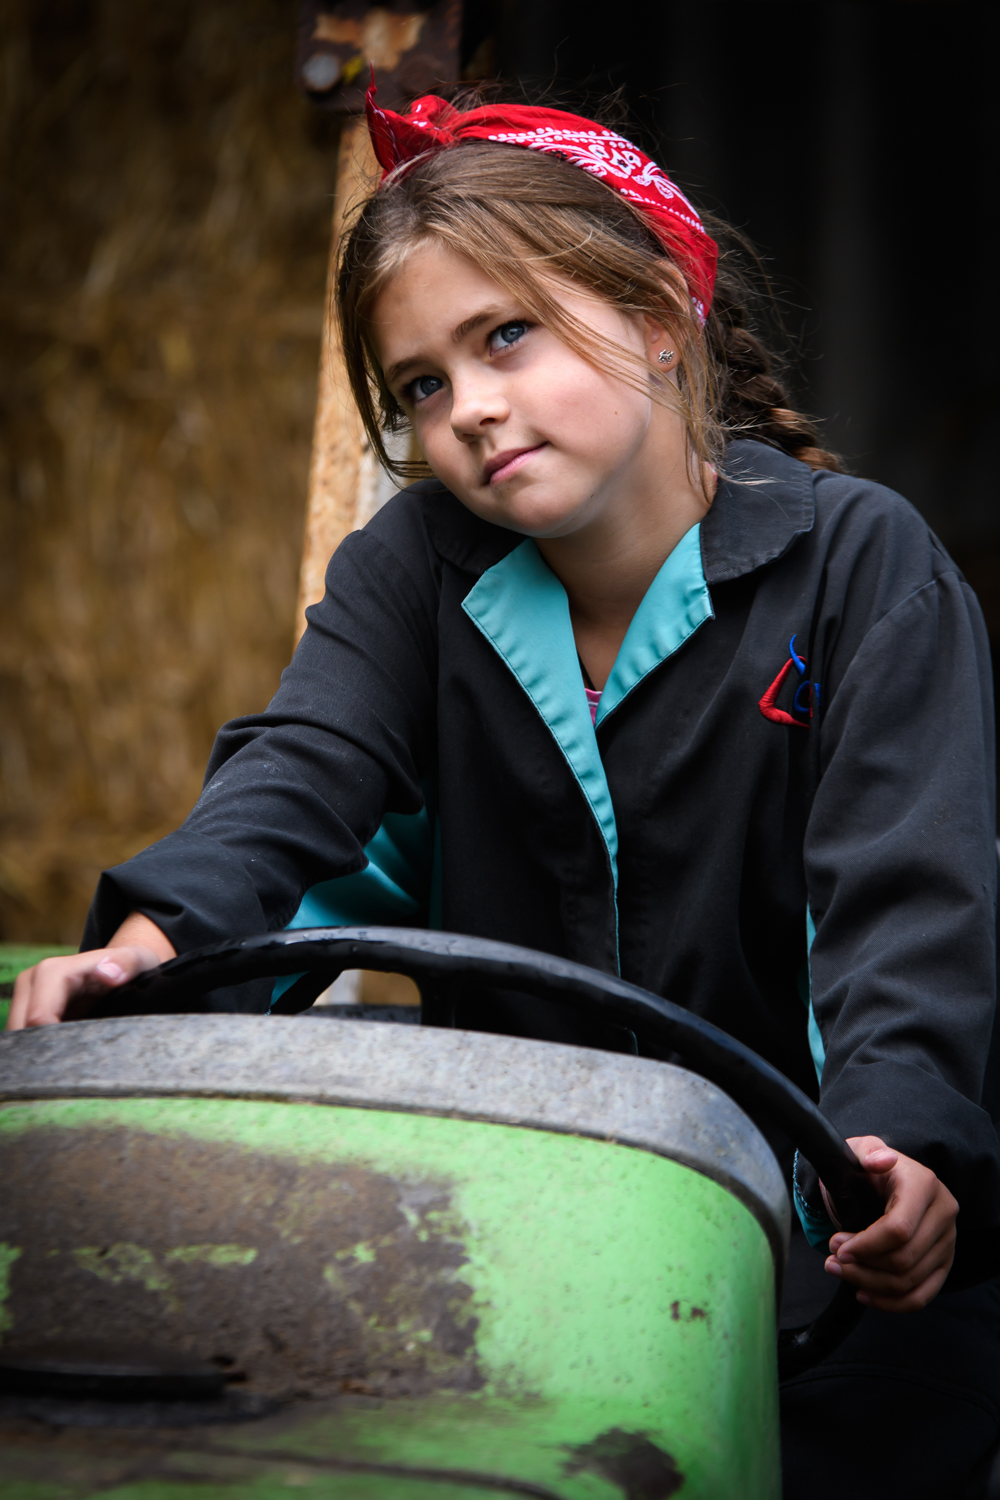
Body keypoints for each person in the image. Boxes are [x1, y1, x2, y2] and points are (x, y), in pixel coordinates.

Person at [8, 86, 1000, 1496]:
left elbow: (909, 908)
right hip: (512, 1232)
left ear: (659, 314)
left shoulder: (858, 569)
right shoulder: (412, 572)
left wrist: (897, 1153)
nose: (468, 407)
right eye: (420, 382)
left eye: (506, 337)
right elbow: (299, 777)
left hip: (828, 1257)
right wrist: (154, 947)